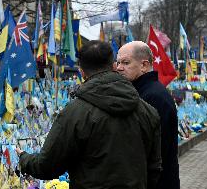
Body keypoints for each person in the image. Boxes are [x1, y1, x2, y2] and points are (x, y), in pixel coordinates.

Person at [16, 40, 162, 189]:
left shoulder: (74, 113)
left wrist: (24, 158)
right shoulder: (148, 111)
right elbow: (154, 168)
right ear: (113, 66)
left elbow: (47, 166)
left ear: (82, 71)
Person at [117, 41, 180, 189]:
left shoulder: (153, 97)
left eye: (126, 62)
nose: (119, 68)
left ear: (144, 65)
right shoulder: (141, 92)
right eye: (118, 62)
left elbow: (151, 150)